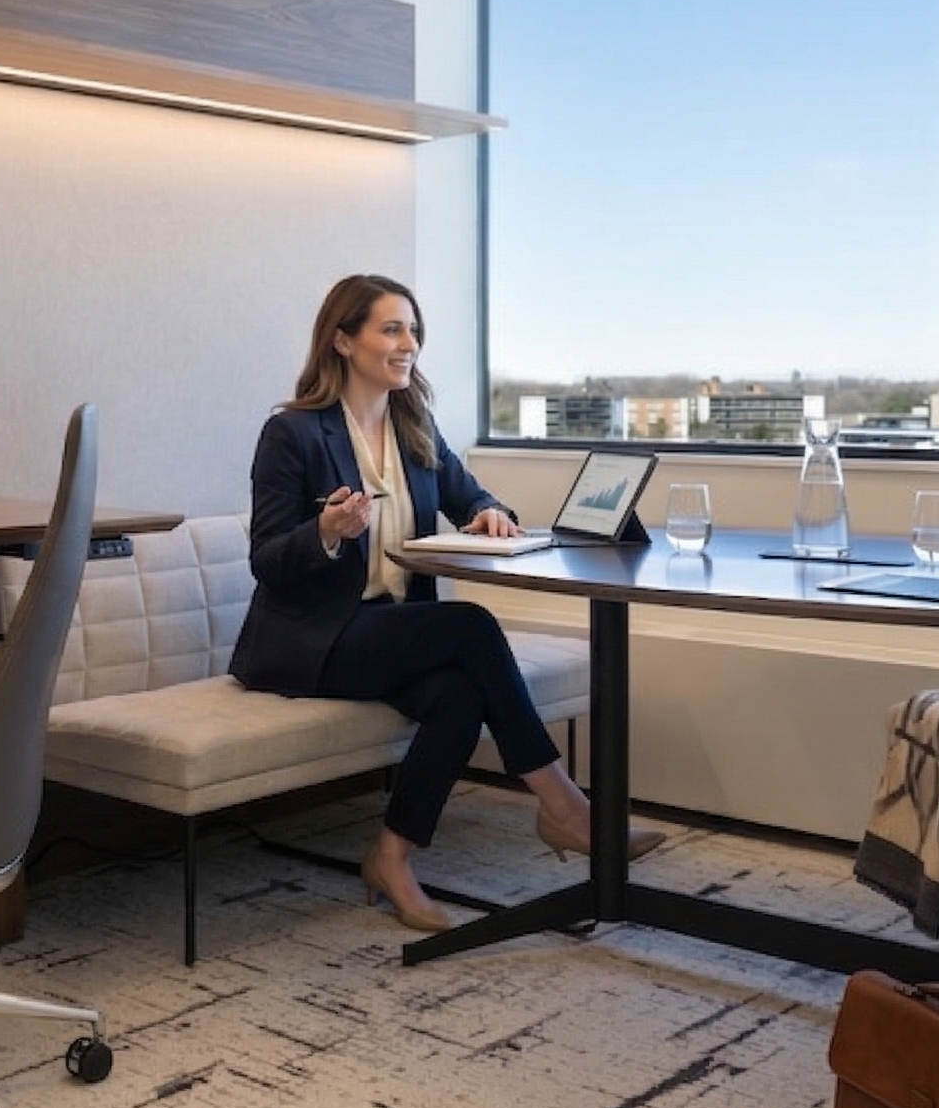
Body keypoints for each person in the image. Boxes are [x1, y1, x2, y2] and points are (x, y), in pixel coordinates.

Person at [231, 273, 663, 934]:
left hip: (386, 630)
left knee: (457, 697)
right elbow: (265, 559)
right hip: (311, 639)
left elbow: (475, 496)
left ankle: (392, 857)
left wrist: (489, 513)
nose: (408, 344)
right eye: (391, 328)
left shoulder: (413, 424)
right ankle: (564, 807)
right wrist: (323, 533)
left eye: (412, 330)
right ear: (343, 340)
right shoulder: (293, 434)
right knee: (469, 625)